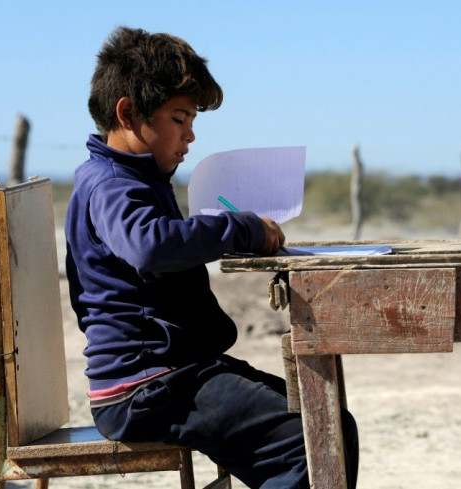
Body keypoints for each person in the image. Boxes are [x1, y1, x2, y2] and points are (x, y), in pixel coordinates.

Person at [64, 26, 359, 488]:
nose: (190, 136)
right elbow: (150, 245)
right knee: (316, 435)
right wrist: (239, 226)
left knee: (328, 422)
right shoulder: (110, 183)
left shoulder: (133, 178)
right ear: (127, 113)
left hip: (174, 374)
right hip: (147, 387)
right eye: (180, 118)